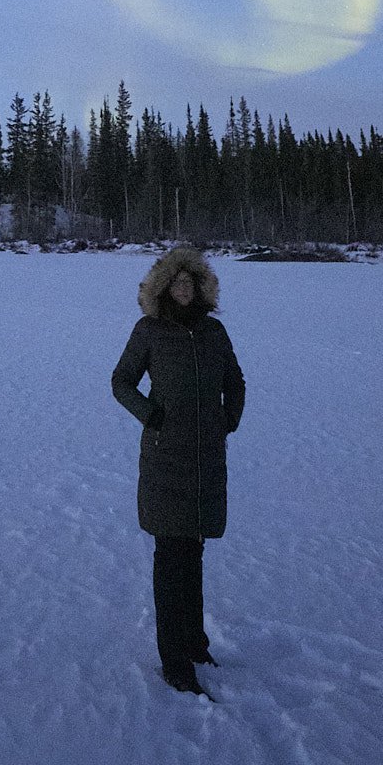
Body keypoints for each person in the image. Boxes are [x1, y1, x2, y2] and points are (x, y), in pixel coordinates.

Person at [111, 244, 246, 694]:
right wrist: (150, 415)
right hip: (166, 460)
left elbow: (235, 380)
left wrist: (229, 418)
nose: (184, 289)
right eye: (177, 283)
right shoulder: (149, 331)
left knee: (194, 553)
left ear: (201, 288)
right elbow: (121, 381)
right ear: (165, 288)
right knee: (171, 557)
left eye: (191, 282)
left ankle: (193, 641)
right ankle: (174, 659)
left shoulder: (213, 333)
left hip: (206, 460)